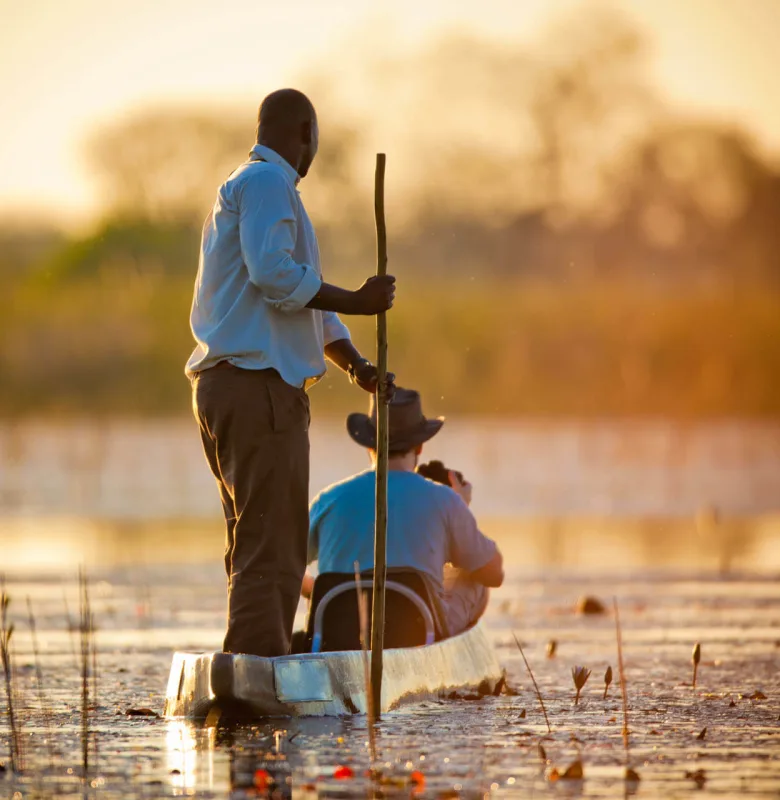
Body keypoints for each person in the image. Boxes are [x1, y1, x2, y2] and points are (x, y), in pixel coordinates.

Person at [186, 88, 395, 658]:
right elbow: (275, 277)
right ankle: (259, 667)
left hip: (234, 387)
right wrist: (360, 299)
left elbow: (305, 303)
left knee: (254, 535)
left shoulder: (257, 188)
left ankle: (253, 661)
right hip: (257, 390)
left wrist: (356, 364)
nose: (315, 151)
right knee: (274, 542)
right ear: (306, 133)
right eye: (316, 139)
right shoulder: (267, 183)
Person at [307, 388, 504, 638]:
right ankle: (447, 657)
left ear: (369, 445)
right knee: (473, 578)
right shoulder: (445, 501)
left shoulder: (328, 499)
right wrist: (460, 508)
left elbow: (284, 565)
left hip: (338, 635)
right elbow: (493, 573)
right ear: (420, 446)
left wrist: (314, 591)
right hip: (417, 634)